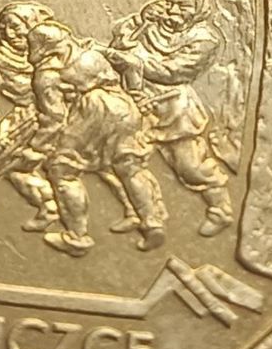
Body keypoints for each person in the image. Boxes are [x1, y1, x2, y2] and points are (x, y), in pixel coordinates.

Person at [23, 20, 167, 257]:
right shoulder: (91, 51)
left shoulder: (48, 74)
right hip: (123, 106)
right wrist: (135, 93)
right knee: (129, 167)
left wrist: (37, 146)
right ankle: (152, 222)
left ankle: (77, 237)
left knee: (62, 169)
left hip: (92, 113)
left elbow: (54, 117)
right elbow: (132, 63)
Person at [108, 0, 232, 237]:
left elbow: (175, 71)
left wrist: (136, 61)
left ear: (197, 9)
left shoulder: (205, 39)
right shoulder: (152, 25)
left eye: (182, 6)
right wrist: (138, 20)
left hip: (173, 108)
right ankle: (147, 216)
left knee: (191, 167)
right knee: (126, 161)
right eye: (170, 3)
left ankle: (221, 210)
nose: (173, 10)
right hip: (135, 102)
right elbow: (119, 47)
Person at [0, 1, 58, 232]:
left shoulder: (54, 53)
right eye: (5, 27)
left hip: (66, 113)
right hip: (26, 120)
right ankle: (51, 206)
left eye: (17, 26)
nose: (11, 33)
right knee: (13, 165)